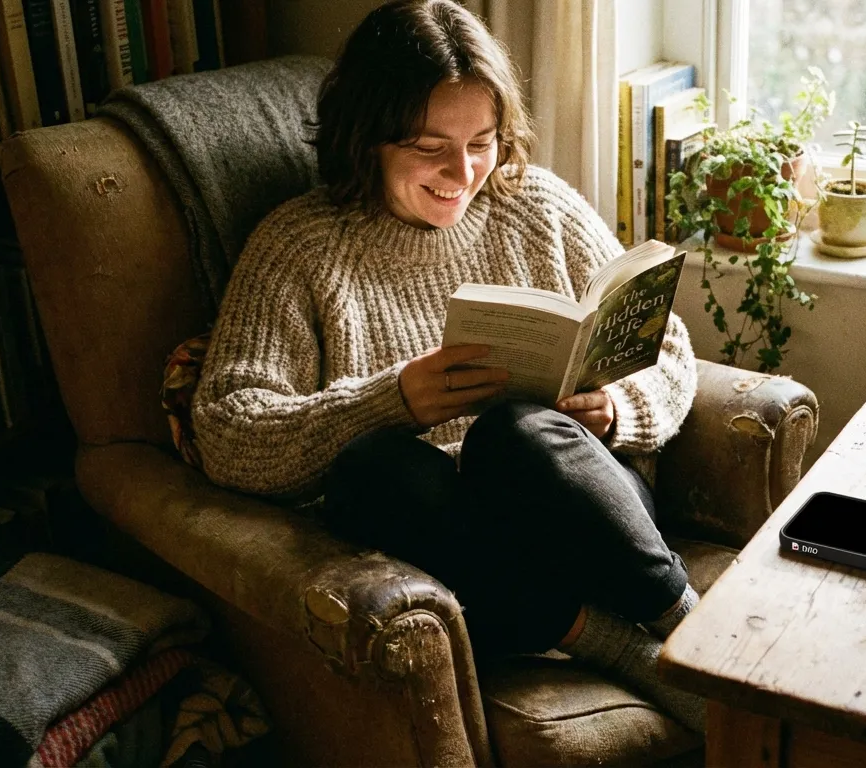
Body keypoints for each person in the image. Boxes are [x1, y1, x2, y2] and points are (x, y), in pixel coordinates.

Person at [190, 0, 704, 732]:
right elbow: (227, 432)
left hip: (587, 522)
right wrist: (390, 400)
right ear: (367, 139)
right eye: (430, 147)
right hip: (456, 564)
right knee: (374, 470)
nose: (462, 173)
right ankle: (617, 647)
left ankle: (693, 630)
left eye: (483, 142)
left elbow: (671, 345)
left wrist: (621, 407)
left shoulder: (538, 206)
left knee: (517, 432)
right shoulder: (299, 249)